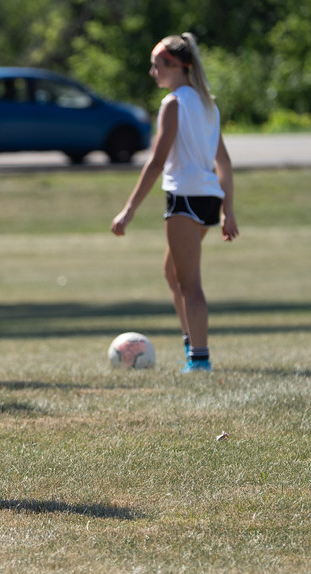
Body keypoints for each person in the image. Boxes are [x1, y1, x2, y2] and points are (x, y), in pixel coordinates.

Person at [109, 32, 238, 373]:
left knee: (190, 283)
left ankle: (199, 359)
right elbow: (223, 161)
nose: (153, 73)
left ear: (174, 66)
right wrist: (228, 210)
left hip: (185, 198)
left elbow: (156, 161)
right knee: (173, 272)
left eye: (156, 66)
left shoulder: (174, 103)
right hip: (209, 199)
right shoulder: (208, 103)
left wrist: (129, 210)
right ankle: (191, 342)